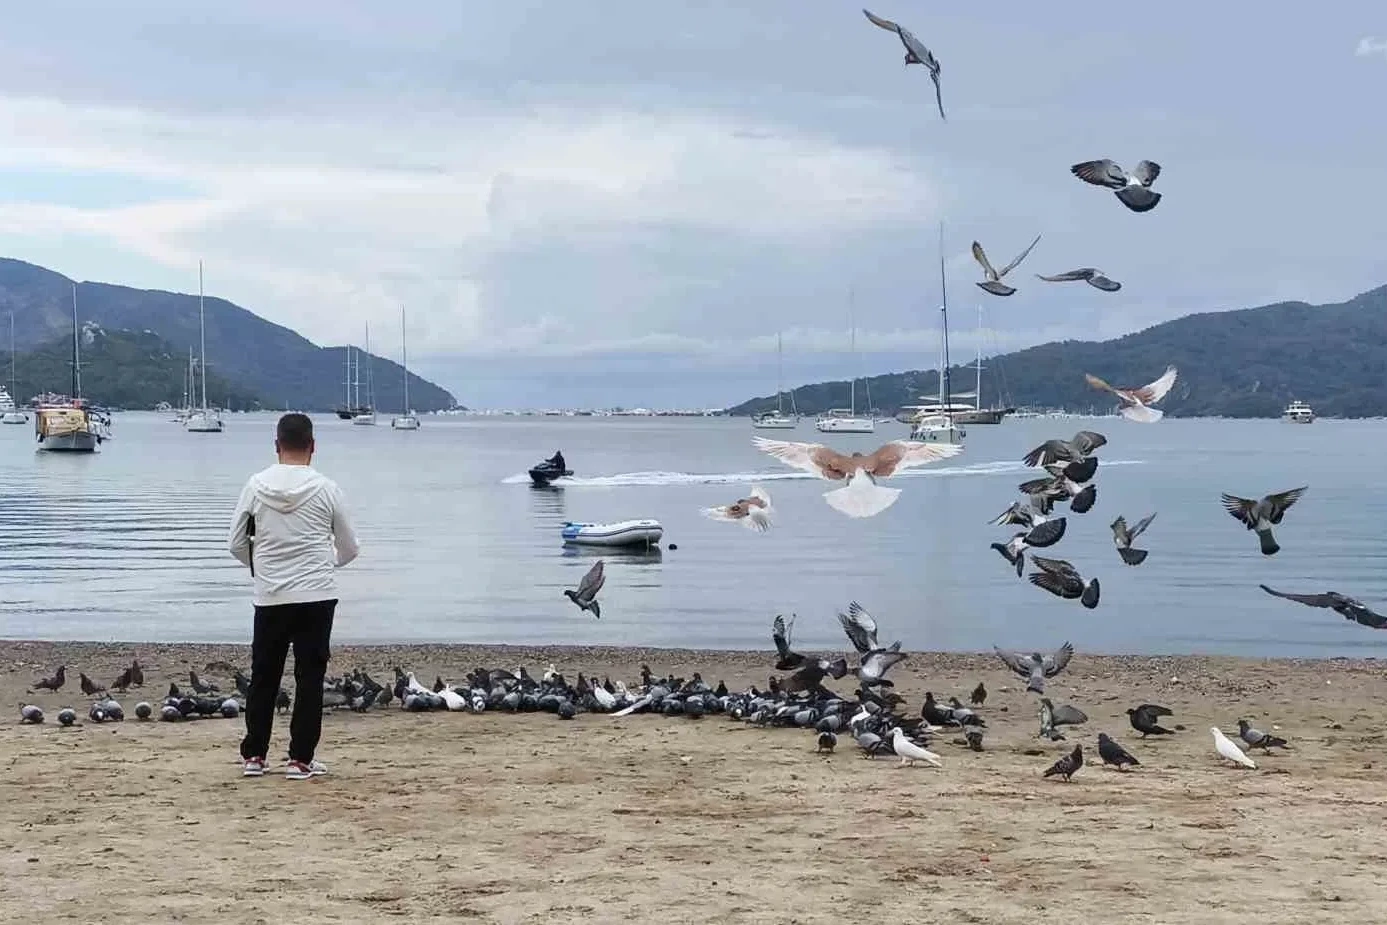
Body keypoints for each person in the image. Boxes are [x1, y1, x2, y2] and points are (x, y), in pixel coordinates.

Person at [228, 413, 359, 780]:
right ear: (313, 446)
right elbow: (350, 546)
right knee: (309, 678)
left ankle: (255, 756)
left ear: (276, 445)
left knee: (264, 676)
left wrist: (261, 568)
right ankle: (300, 759)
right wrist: (326, 563)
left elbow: (235, 543)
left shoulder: (255, 487)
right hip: (316, 595)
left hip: (270, 594)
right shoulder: (327, 489)